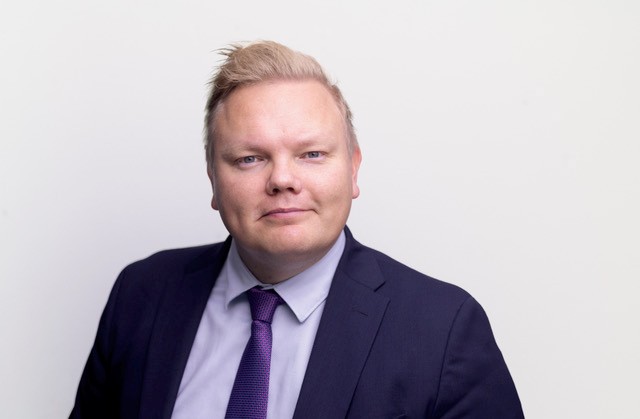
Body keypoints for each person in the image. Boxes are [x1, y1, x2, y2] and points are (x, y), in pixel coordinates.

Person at [70, 41, 524, 418]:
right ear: (213, 180)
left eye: (311, 154)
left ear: (353, 170)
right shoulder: (141, 294)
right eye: (249, 158)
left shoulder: (443, 329)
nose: (282, 179)